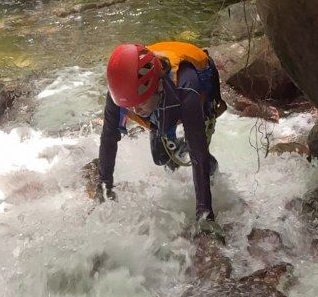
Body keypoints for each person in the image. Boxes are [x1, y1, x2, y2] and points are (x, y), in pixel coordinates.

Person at [96, 41, 227, 241]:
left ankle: (213, 169)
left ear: (155, 85)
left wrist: (205, 215)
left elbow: (197, 151)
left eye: (137, 105)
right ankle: (170, 143)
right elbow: (109, 137)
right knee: (161, 158)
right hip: (158, 100)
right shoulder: (120, 91)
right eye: (129, 106)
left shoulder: (186, 88)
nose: (133, 111)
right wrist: (105, 187)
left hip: (194, 97)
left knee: (198, 155)